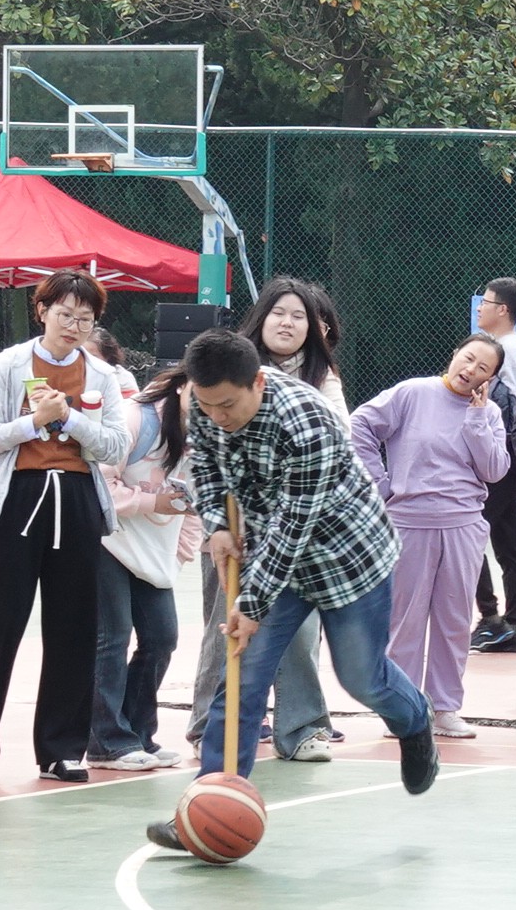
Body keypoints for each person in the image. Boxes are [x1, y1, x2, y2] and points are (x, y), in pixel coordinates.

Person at [144, 328, 437, 857]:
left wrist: (250, 604)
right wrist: (216, 523)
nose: (217, 416)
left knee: (361, 678)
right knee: (242, 680)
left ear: (258, 382)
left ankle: (415, 721)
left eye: (228, 406)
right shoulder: (209, 404)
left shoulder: (307, 422)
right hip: (274, 560)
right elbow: (205, 467)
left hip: (347, 559)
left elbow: (292, 527)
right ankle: (208, 806)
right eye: (207, 406)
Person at [0, 270, 126, 783]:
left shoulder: (102, 375)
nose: (73, 326)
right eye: (65, 314)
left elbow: (116, 445)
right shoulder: (9, 364)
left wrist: (68, 418)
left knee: (75, 626)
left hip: (77, 501)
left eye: (85, 318)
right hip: (16, 499)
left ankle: (61, 748)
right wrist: (35, 422)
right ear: (42, 310)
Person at [183, 276, 344, 766]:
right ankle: (211, 723)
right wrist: (217, 520)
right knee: (225, 623)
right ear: (261, 318)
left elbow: (338, 439)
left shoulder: (322, 380)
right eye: (279, 313)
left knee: (297, 630)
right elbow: (202, 448)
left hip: (294, 527)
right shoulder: (225, 367)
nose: (287, 323)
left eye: (298, 316)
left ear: (313, 328)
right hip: (232, 524)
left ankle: (303, 726)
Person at [351, 334, 512, 740]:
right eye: (468, 358)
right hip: (407, 523)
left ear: (491, 379)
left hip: (462, 526)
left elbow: (495, 469)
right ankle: (403, 710)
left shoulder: (489, 413)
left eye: (483, 368)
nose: (470, 370)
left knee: (454, 621)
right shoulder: (412, 393)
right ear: (455, 354)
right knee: (404, 620)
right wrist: (380, 484)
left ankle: (445, 708)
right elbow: (360, 425)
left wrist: (476, 419)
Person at [90, 366, 200, 773]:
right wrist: (153, 503)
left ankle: (139, 734)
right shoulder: (137, 417)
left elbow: (196, 506)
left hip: (154, 554)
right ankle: (106, 742)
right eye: (201, 392)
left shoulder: (214, 432)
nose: (209, 405)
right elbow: (100, 485)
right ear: (182, 385)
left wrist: (178, 557)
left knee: (161, 638)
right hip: (109, 542)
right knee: (112, 637)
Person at [469, 276, 516, 653]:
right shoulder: (506, 347)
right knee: (508, 541)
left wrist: (506, 455)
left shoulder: (507, 350)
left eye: (486, 302)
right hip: (509, 458)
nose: (480, 308)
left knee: (468, 532)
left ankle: (492, 617)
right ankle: (513, 626)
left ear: (503, 310)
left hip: (504, 457)